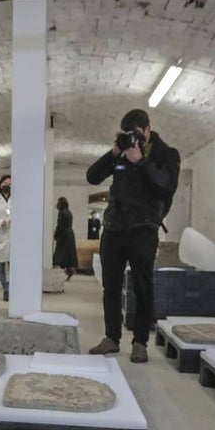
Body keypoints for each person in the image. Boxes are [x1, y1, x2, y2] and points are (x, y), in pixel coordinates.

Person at [86, 108, 180, 363]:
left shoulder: (166, 154)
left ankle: (140, 342)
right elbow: (92, 176)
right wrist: (115, 152)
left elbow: (166, 186)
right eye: (129, 134)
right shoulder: (121, 150)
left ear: (148, 130)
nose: (133, 138)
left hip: (144, 229)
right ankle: (111, 339)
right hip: (114, 228)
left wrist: (140, 161)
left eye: (138, 133)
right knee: (111, 287)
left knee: (142, 287)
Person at [53, 197, 78, 280]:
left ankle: (66, 272)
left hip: (64, 236)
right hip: (69, 234)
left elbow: (60, 226)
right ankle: (69, 270)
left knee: (62, 255)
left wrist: (56, 235)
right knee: (68, 255)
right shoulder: (69, 212)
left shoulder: (62, 213)